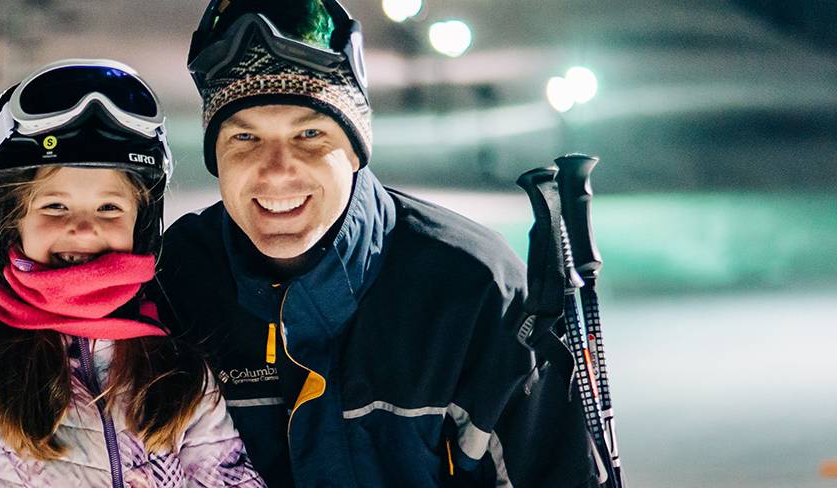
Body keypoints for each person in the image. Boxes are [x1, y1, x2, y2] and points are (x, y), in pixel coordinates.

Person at [156, 2, 599, 487]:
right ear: (215, 155)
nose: (277, 170)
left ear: (356, 148)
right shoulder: (179, 283)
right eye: (245, 137)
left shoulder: (471, 288)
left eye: (309, 134)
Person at [0, 59, 263, 488]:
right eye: (55, 206)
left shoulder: (177, 372)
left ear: (142, 224)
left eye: (109, 207)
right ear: (10, 221)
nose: (84, 228)